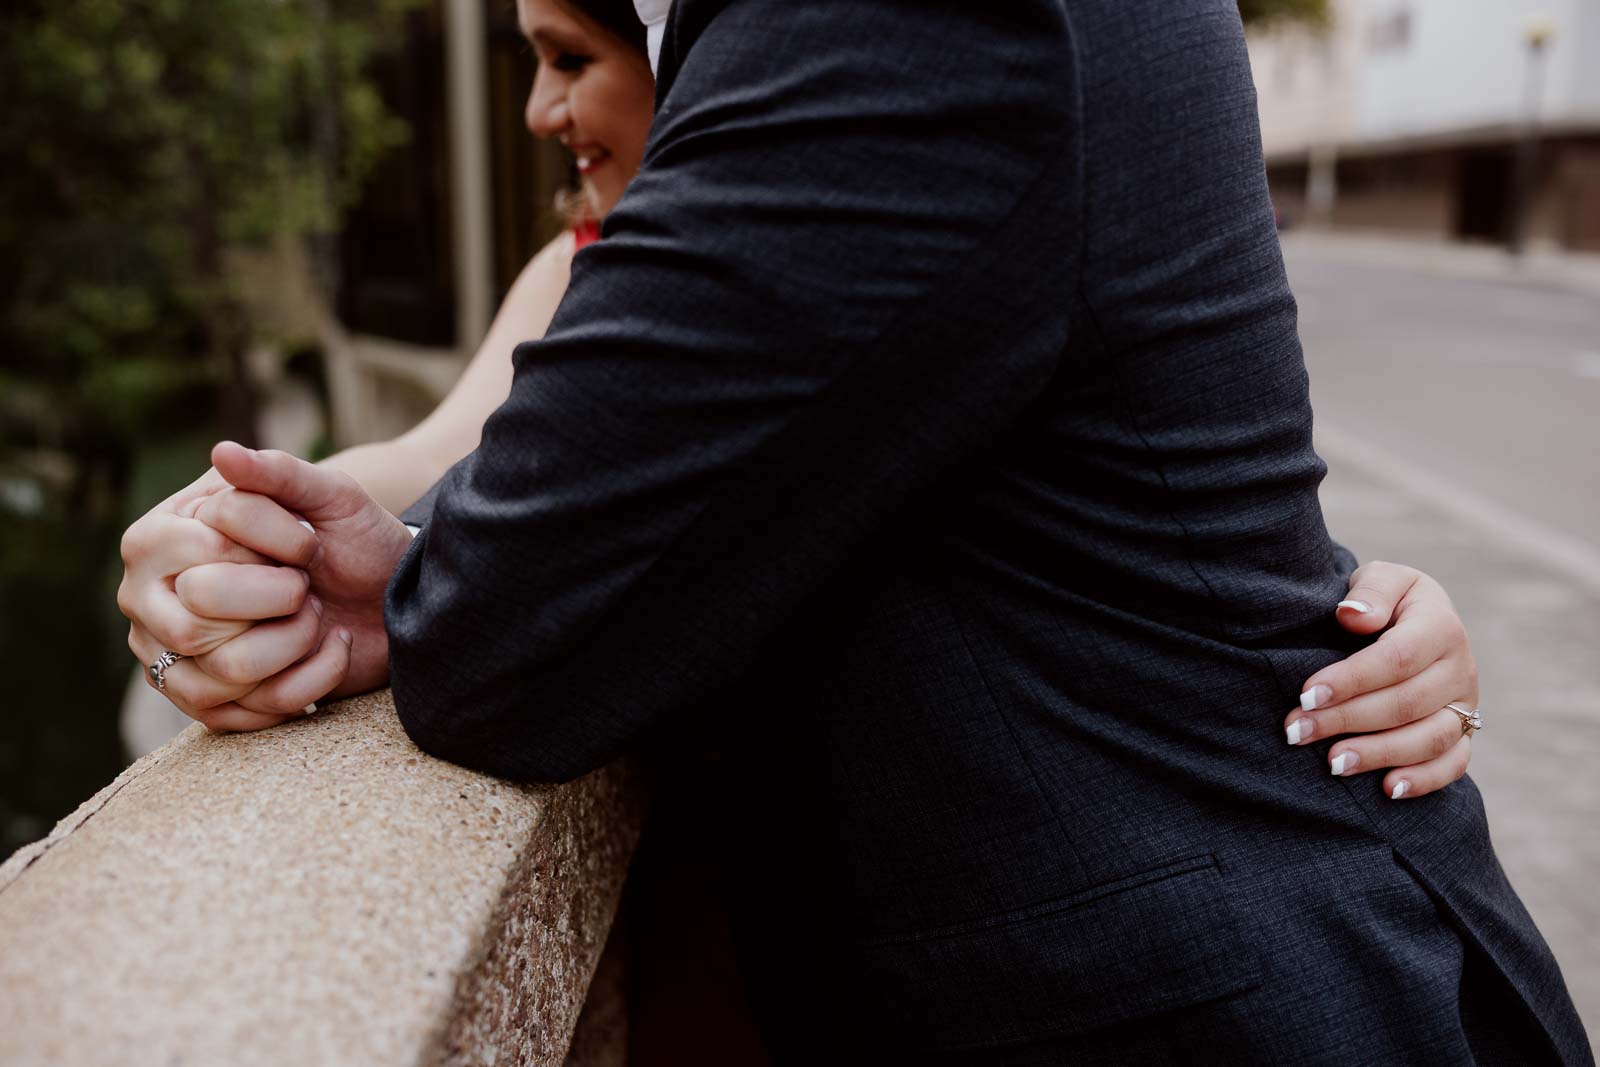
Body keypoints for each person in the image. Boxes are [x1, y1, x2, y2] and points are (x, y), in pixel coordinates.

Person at [117, 0, 1591, 1062]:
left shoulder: (900, 32)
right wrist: (243, 531)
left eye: (575, 55)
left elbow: (516, 625)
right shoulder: (656, 220)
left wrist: (1350, 610)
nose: (545, 114)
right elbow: (463, 466)